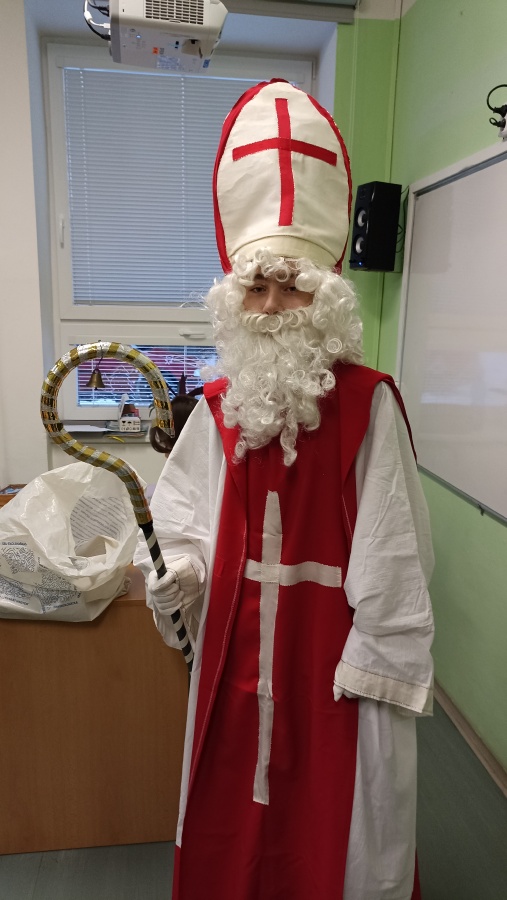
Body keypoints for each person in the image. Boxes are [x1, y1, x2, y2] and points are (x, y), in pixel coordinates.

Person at [134, 80, 434, 900]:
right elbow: (182, 518)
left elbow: (394, 546)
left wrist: (376, 656)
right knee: (236, 807)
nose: (272, 307)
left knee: (341, 823)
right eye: (256, 289)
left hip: (334, 662)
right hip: (235, 652)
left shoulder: (368, 403)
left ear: (324, 297)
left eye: (291, 287)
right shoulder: (218, 408)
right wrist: (183, 569)